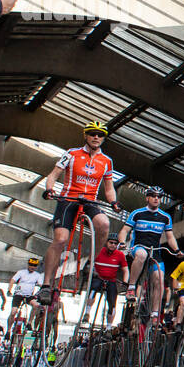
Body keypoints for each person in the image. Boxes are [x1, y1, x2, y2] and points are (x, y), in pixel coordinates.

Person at [39, 120, 120, 304]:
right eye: (92, 133)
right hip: (69, 199)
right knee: (60, 239)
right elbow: (53, 175)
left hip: (90, 201)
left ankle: (90, 264)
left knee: (104, 224)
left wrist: (114, 201)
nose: (96, 137)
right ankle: (45, 285)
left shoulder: (106, 161)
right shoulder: (71, 154)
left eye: (100, 135)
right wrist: (50, 189)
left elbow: (109, 188)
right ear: (86, 135)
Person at [120, 187, 180, 320]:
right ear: (147, 198)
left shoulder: (165, 217)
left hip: (155, 250)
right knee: (142, 255)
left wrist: (177, 250)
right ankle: (131, 287)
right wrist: (123, 242)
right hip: (138, 247)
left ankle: (154, 314)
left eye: (159, 196)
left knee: (159, 279)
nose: (156, 198)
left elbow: (170, 237)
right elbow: (124, 230)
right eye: (153, 196)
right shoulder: (137, 213)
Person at [88, 234, 127, 326]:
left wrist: (125, 282)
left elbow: (126, 270)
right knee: (93, 290)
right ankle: (87, 313)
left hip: (111, 281)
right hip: (99, 278)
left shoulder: (120, 255)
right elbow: (90, 262)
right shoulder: (99, 251)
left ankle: (109, 327)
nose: (113, 245)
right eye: (111, 242)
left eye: (115, 243)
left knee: (112, 304)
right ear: (106, 242)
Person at [6, 256, 42, 332]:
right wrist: (9, 290)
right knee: (13, 312)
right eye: (31, 265)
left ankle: (29, 323)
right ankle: (8, 330)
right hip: (18, 295)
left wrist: (41, 293)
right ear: (28, 264)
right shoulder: (21, 272)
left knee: (36, 305)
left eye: (34, 265)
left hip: (29, 296)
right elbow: (13, 280)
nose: (32, 267)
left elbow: (41, 285)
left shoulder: (37, 275)